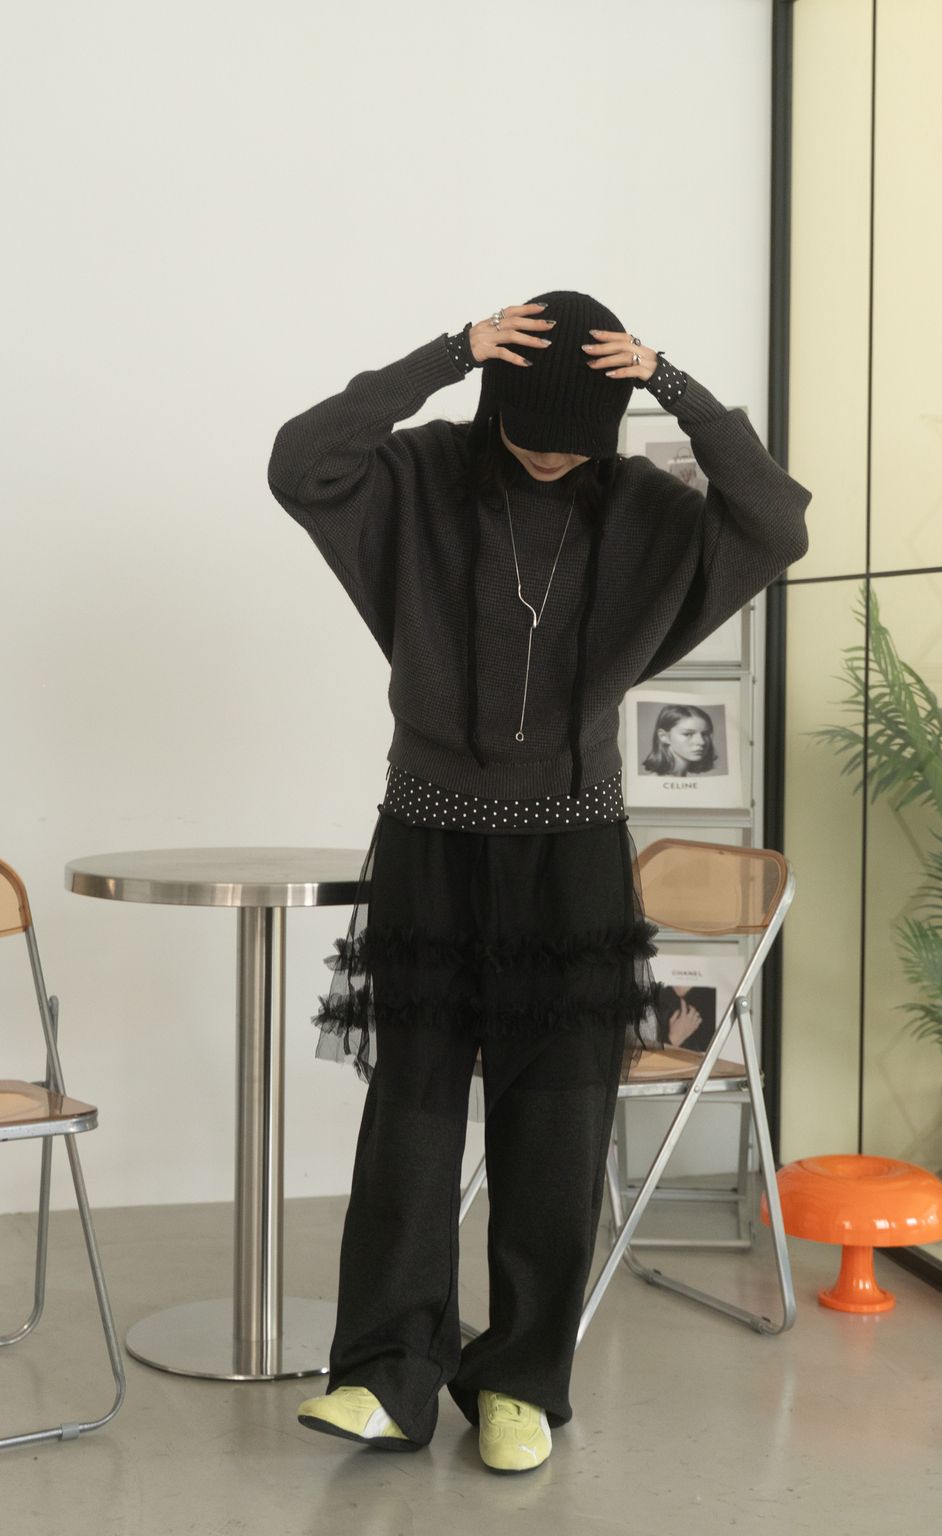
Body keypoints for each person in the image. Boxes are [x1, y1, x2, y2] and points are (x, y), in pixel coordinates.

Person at [265, 289, 812, 1474]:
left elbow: (774, 521)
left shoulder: (649, 510)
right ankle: (384, 1375)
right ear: (494, 398)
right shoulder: (418, 478)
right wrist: (444, 353)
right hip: (429, 837)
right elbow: (300, 461)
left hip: (571, 850)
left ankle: (519, 1382)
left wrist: (672, 384)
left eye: (581, 438)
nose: (557, 456)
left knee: (556, 1118)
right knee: (412, 1108)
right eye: (534, 433)